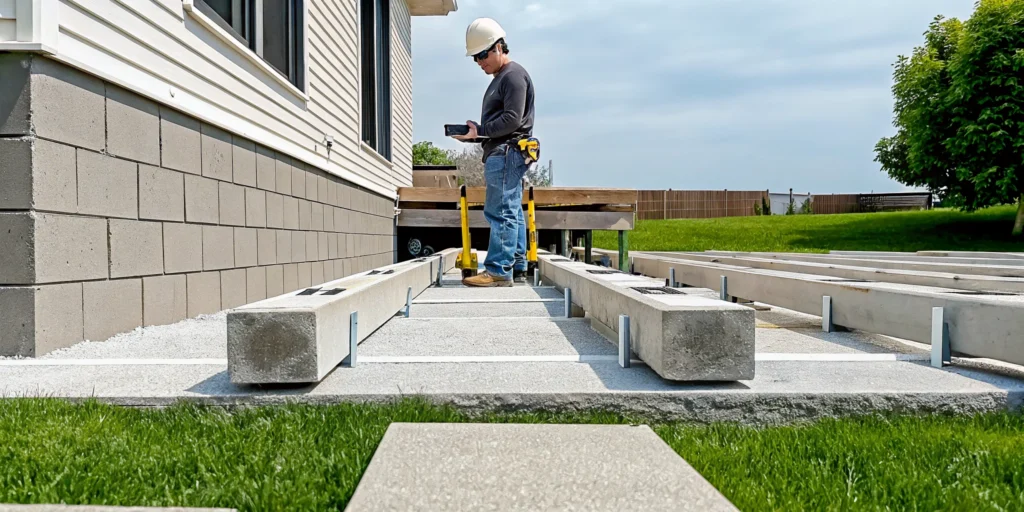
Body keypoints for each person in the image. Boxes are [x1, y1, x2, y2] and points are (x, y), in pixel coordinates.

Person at [452, 17, 536, 287]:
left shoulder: (512, 76)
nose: (479, 61)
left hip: (506, 151)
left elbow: (512, 119)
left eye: (482, 54)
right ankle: (518, 263)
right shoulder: (503, 77)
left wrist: (480, 131)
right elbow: (502, 122)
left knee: (500, 210)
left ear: (499, 47)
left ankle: (499, 270)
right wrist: (477, 133)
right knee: (511, 208)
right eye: (475, 57)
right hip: (503, 150)